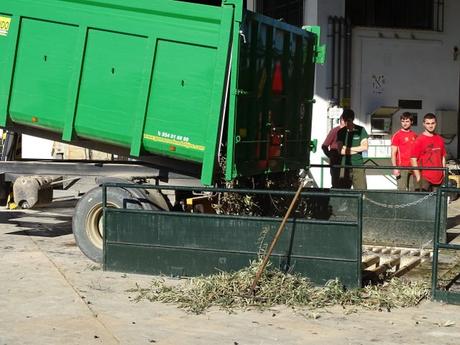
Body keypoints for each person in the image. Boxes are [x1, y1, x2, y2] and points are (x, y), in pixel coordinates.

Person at [410, 113, 446, 191]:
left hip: (438, 178)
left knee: (437, 202)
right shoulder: (419, 140)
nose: (430, 126)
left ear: (436, 123)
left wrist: (443, 174)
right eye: (428, 123)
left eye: (432, 123)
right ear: (424, 124)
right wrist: (418, 177)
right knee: (422, 202)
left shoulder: (440, 139)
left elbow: (442, 157)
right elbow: (413, 159)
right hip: (424, 178)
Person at [336, 109, 368, 189]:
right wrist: (356, 150)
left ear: (352, 119)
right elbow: (341, 151)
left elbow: (365, 147)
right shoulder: (341, 132)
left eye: (349, 120)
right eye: (345, 120)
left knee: (361, 191)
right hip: (345, 166)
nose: (347, 122)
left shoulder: (361, 130)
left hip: (358, 165)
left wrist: (347, 148)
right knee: (344, 191)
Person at [391, 112, 417, 191]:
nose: (405, 123)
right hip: (402, 167)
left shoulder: (414, 135)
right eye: (403, 121)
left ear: (411, 122)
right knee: (402, 191)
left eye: (407, 121)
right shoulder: (397, 135)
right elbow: (393, 153)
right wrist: (395, 168)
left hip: (413, 167)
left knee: (413, 190)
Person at [322, 114, 346, 188]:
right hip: (336, 156)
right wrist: (331, 156)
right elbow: (324, 146)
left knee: (346, 178)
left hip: (345, 157)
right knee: (335, 177)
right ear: (341, 120)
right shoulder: (334, 131)